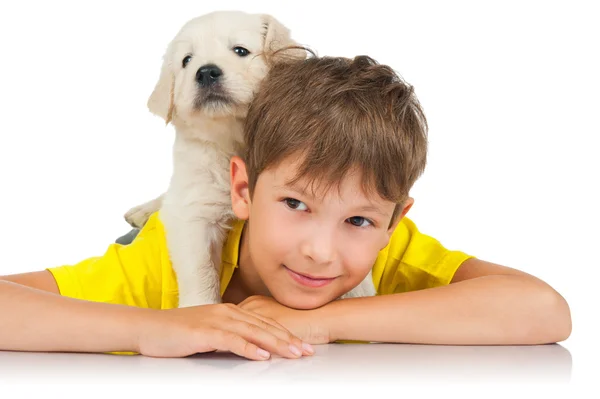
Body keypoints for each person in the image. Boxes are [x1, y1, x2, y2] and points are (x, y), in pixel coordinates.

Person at [0, 54, 571, 361]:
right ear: (243, 190)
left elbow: (545, 311)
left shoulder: (388, 251)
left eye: (358, 220)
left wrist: (319, 320)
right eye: (296, 203)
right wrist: (156, 327)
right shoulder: (172, 258)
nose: (320, 251)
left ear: (395, 220)